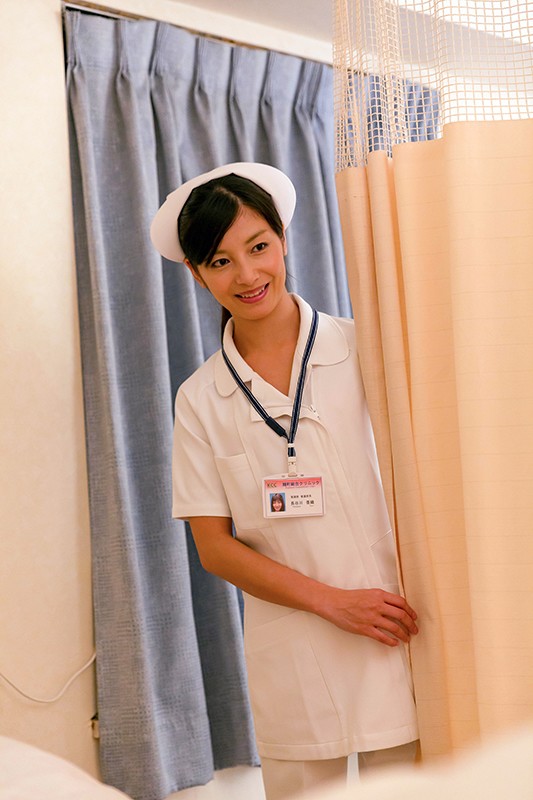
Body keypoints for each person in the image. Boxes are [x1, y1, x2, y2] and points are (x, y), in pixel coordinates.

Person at [150, 163, 419, 800]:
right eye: (220, 262)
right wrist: (333, 603)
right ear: (196, 274)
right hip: (296, 651)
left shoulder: (365, 349)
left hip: (397, 629)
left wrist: (363, 606)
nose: (246, 276)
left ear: (283, 240)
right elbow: (215, 549)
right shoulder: (200, 399)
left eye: (258, 247)